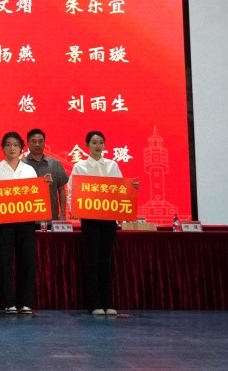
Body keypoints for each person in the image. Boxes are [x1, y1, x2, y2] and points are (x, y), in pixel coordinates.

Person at [70, 130, 140, 316]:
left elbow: (121, 189)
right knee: (93, 260)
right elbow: (72, 192)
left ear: (104, 145)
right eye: (94, 142)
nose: (97, 146)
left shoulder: (112, 165)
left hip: (108, 219)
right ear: (87, 145)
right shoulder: (80, 167)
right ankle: (94, 303)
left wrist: (132, 188)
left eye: (101, 142)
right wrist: (75, 210)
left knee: (106, 260)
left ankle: (107, 302)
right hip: (90, 220)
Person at [0, 131, 52, 315]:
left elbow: (35, 194)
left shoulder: (29, 170)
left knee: (27, 261)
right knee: (4, 262)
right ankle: (9, 302)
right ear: (3, 148)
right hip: (4, 223)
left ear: (21, 148)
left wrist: (44, 186)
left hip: (25, 222)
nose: (12, 148)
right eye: (8, 145)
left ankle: (25, 302)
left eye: (16, 145)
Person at [22, 128, 69, 221]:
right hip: (28, 218)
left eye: (40, 141)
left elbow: (61, 190)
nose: (37, 144)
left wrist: (63, 214)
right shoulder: (21, 164)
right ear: (28, 143)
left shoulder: (55, 163)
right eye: (34, 141)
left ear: (44, 143)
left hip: (51, 217)